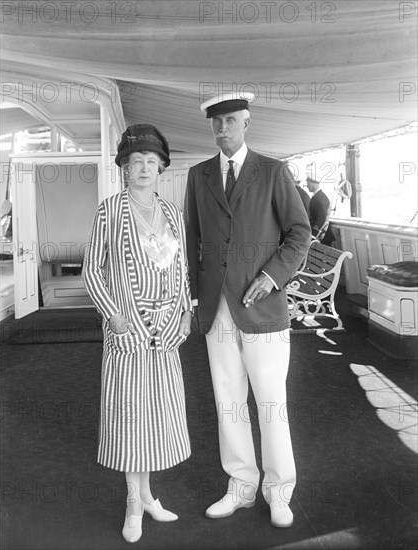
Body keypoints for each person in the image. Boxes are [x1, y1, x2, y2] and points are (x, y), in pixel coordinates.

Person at [184, 93, 311, 528]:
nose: (223, 129)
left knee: (271, 402)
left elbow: (299, 234)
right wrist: (195, 297)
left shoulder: (273, 171)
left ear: (246, 122)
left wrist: (273, 276)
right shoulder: (198, 175)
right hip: (217, 307)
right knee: (228, 402)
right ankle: (240, 485)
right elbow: (193, 241)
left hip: (263, 307)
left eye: (231, 121)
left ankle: (279, 491)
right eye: (216, 123)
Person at [83, 124, 192, 544]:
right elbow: (93, 269)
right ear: (124, 169)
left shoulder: (172, 214)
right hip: (127, 330)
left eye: (151, 161)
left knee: (156, 415)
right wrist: (112, 314)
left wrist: (185, 312)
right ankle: (133, 501)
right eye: (136, 162)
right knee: (130, 415)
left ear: (161, 167)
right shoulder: (109, 211)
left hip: (165, 331)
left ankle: (148, 496)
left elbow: (181, 268)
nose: (144, 168)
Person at [306, 176, 331, 240]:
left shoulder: (320, 198)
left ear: (313, 183)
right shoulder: (317, 196)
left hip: (320, 235)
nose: (307, 186)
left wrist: (313, 235)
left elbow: (321, 218)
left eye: (308, 184)